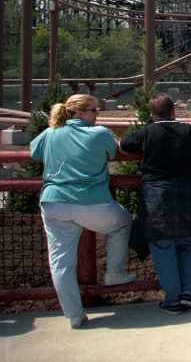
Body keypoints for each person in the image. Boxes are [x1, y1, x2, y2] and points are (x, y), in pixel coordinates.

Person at [29, 93, 136, 329]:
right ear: (79, 113)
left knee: (60, 263)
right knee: (122, 223)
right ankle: (114, 273)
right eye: (93, 110)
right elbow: (113, 151)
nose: (97, 115)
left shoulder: (50, 133)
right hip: (92, 203)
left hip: (53, 203)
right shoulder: (98, 134)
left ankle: (74, 315)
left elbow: (33, 153)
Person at [120, 93, 191, 315]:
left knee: (163, 246)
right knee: (185, 243)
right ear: (173, 111)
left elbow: (123, 146)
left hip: (156, 196)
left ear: (151, 115)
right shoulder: (189, 130)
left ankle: (172, 299)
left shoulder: (146, 132)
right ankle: (187, 294)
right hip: (183, 192)